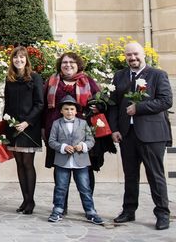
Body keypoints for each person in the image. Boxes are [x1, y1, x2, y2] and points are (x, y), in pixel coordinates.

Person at [109, 42, 172, 230]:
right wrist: (114, 129)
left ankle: (162, 213)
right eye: (129, 55)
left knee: (155, 175)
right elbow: (113, 104)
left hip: (151, 134)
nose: (132, 58)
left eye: (135, 54)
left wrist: (139, 107)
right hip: (126, 134)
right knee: (130, 175)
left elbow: (166, 101)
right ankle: (129, 210)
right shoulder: (119, 76)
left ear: (143, 54)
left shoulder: (157, 75)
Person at [44, 52, 102, 209]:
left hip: (83, 132)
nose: (67, 65)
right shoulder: (52, 81)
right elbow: (43, 104)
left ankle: (88, 206)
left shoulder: (87, 81)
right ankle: (62, 206)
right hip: (57, 131)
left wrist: (98, 106)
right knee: (61, 170)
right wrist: (44, 128)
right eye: (64, 62)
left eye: (71, 62)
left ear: (78, 65)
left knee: (85, 170)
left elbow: (100, 101)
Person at [47, 95, 103, 225]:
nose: (69, 111)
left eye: (72, 109)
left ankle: (91, 212)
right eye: (66, 109)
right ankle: (58, 210)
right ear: (61, 111)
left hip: (81, 161)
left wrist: (82, 146)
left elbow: (91, 140)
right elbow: (51, 141)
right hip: (62, 161)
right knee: (61, 187)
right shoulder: (56, 123)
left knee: (84, 187)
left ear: (76, 111)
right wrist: (63, 147)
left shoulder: (83, 123)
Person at [2, 46, 44, 214]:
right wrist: (6, 125)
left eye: (21, 57)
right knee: (19, 164)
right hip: (13, 126)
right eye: (15, 57)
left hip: (29, 127)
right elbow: (7, 104)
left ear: (26, 60)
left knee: (28, 163)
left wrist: (27, 122)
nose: (18, 60)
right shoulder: (9, 79)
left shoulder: (35, 78)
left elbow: (39, 103)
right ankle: (24, 199)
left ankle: (31, 201)